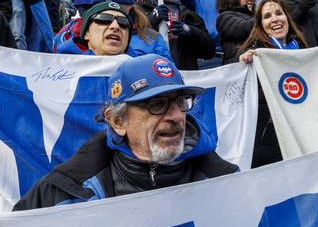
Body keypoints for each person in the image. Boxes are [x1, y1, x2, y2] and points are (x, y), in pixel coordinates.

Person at [13, 54, 239, 210]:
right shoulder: (62, 191)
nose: (177, 116)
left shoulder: (228, 181)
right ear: (118, 121)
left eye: (180, 102)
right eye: (157, 104)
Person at [238, 0, 318, 168]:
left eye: (279, 13)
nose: (275, 19)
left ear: (287, 18)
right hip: (273, 141)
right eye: (267, 16)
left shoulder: (303, 48)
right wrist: (245, 65)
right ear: (260, 25)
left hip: (309, 132)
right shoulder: (255, 54)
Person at [139, 0, 215, 70]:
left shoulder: (188, 14)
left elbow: (209, 52)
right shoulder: (139, 11)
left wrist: (191, 31)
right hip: (153, 75)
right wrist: (150, 20)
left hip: (185, 76)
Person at [216, 0, 256, 64]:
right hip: (237, 71)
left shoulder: (254, 16)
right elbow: (243, 28)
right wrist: (264, 15)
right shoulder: (224, 17)